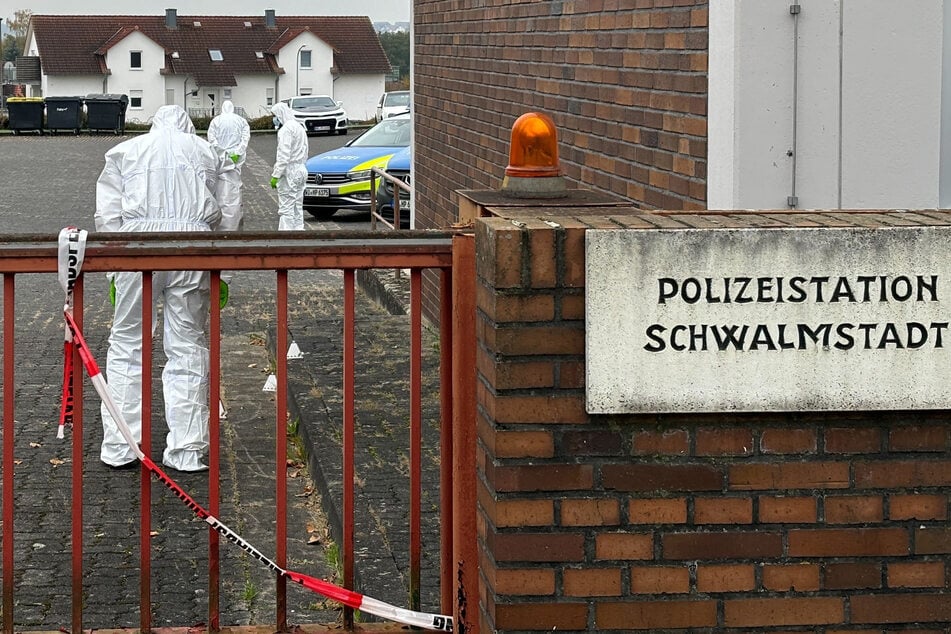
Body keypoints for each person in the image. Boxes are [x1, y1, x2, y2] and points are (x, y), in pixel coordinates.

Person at [94, 104, 238, 472]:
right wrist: (222, 265)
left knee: (127, 343)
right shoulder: (206, 151)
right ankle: (186, 449)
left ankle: (121, 445)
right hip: (193, 248)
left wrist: (114, 269)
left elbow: (107, 214)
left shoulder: (124, 151)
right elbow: (230, 208)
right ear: (188, 126)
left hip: (135, 248)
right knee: (187, 344)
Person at [207, 100, 251, 232]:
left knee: (219, 193)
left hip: (220, 163)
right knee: (234, 193)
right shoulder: (241, 121)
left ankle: (219, 225)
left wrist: (223, 154)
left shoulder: (216, 121)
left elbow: (212, 140)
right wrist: (237, 153)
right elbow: (245, 138)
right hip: (235, 163)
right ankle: (233, 227)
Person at [269, 101, 308, 230]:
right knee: (297, 206)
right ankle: (299, 234)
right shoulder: (299, 126)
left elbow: (283, 156)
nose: (274, 119)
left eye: (274, 115)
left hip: (290, 172)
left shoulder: (285, 130)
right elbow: (305, 149)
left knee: (286, 208)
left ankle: (285, 238)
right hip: (301, 169)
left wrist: (276, 175)